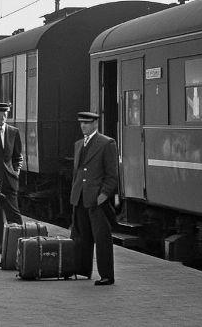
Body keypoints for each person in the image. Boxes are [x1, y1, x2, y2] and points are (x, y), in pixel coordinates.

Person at [70, 111, 119, 286]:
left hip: (97, 199)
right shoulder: (78, 144)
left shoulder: (107, 143)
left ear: (95, 124)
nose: (83, 126)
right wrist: (74, 194)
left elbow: (112, 175)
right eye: (81, 123)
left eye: (87, 123)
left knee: (102, 238)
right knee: (80, 235)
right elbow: (77, 172)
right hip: (80, 197)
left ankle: (107, 275)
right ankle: (81, 269)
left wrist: (103, 195)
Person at [0, 102, 24, 225]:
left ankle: (16, 241)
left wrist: (15, 172)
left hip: (9, 180)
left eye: (5, 115)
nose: (3, 118)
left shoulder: (13, 132)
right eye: (0, 115)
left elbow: (18, 156)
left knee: (15, 215)